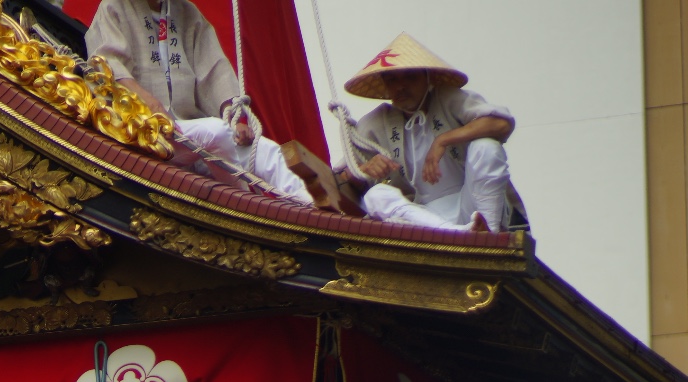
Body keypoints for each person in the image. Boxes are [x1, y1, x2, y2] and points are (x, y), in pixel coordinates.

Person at [84, 0, 314, 204]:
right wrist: (151, 105)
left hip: (188, 133)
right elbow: (106, 65)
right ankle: (244, 205)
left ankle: (307, 209)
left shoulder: (187, 13)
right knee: (216, 132)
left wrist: (233, 118)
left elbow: (214, 71)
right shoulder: (114, 7)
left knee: (267, 151)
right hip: (146, 133)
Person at [340, 35, 519, 233]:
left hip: (472, 205)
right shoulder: (374, 124)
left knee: (486, 147)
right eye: (391, 80)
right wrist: (364, 169)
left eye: (410, 76)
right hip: (423, 217)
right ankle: (457, 234)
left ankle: (490, 234)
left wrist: (443, 140)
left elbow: (501, 123)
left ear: (427, 77)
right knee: (376, 195)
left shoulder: (448, 98)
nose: (400, 86)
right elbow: (343, 175)